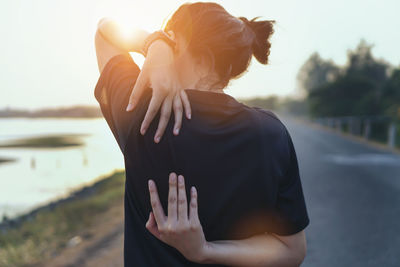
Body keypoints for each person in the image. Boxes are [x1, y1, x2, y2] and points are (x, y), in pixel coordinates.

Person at [94, 2, 309, 266]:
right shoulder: (271, 133)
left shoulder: (142, 112)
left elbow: (104, 32)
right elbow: (292, 250)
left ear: (187, 47)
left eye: (171, 38)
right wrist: (206, 251)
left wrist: (153, 43)